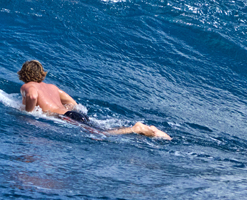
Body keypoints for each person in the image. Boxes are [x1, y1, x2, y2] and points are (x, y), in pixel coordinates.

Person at [17, 60, 171, 140]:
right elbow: (73, 104)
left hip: (66, 117)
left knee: (101, 134)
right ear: (41, 74)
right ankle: (151, 130)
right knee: (101, 128)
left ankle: (136, 129)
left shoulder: (27, 86)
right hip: (71, 114)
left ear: (23, 74)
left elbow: (31, 96)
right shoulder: (52, 87)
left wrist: (30, 113)